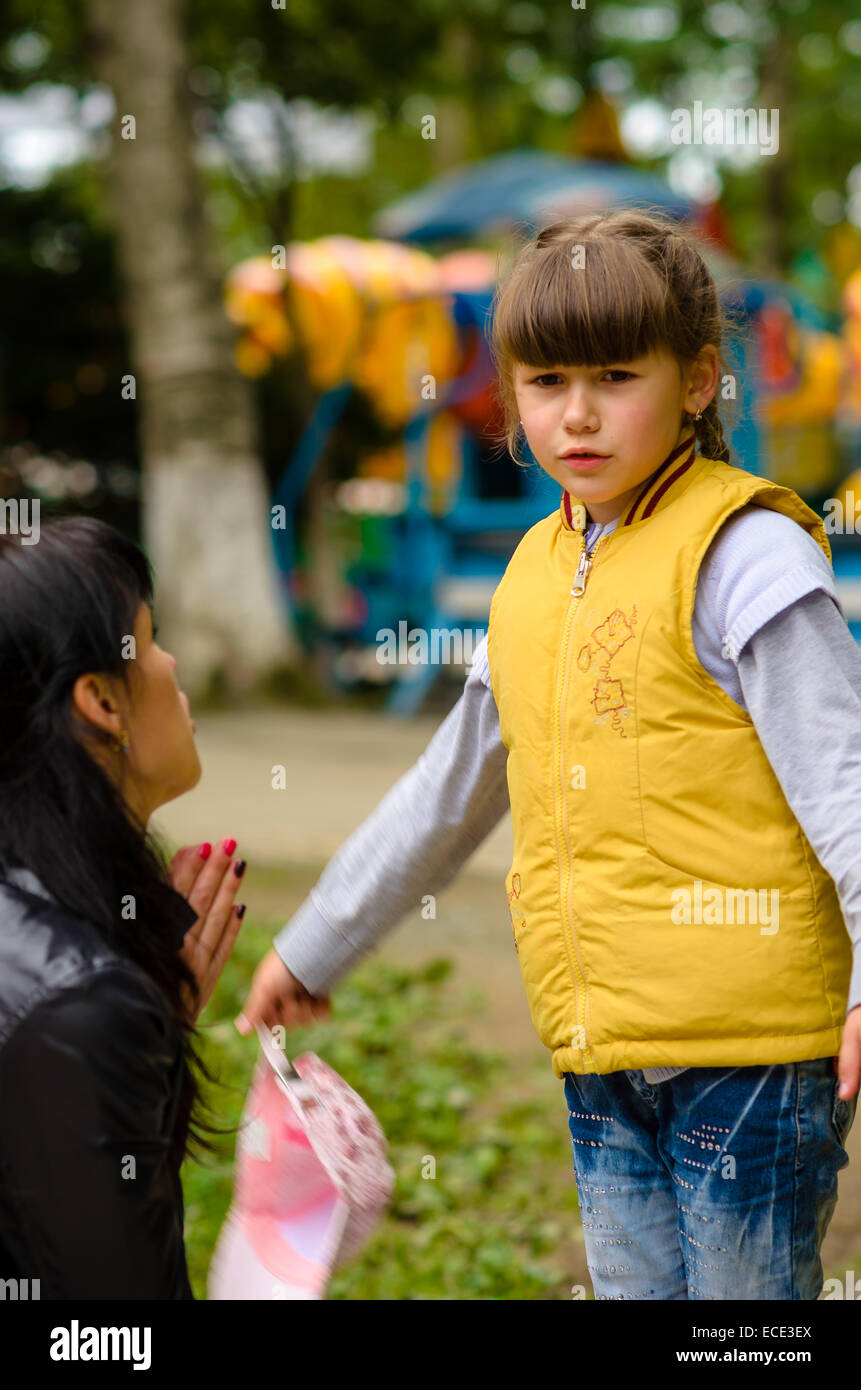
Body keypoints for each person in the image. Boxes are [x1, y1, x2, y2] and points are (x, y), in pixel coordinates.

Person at [238, 209, 861, 1300]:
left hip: (757, 1058)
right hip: (603, 1052)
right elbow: (452, 789)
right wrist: (317, 942)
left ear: (699, 378)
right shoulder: (534, 574)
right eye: (543, 380)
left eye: (616, 375)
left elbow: (844, 784)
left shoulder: (749, 554)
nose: (576, 414)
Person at [0, 516, 246, 1298]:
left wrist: (157, 1028)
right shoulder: (78, 1004)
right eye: (151, 636)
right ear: (101, 700)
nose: (172, 663)